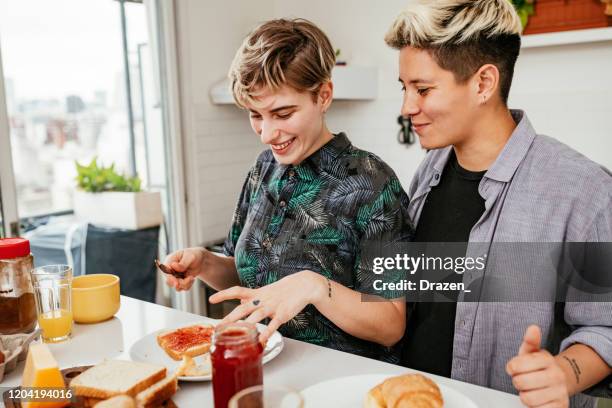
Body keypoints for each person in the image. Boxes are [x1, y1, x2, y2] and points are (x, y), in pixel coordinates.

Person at [384, 0, 612, 406]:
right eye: (404, 89)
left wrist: (564, 372)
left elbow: (606, 328)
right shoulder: (428, 172)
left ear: (484, 83)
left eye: (423, 89)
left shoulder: (583, 191)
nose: (407, 108)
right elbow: (423, 293)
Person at [164, 18, 412, 363]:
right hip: (263, 370)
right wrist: (204, 263)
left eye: (282, 113)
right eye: (255, 115)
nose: (267, 133)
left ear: (323, 95)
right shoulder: (264, 169)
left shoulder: (373, 184)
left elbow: (391, 325)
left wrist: (315, 287)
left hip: (344, 385)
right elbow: (249, 276)